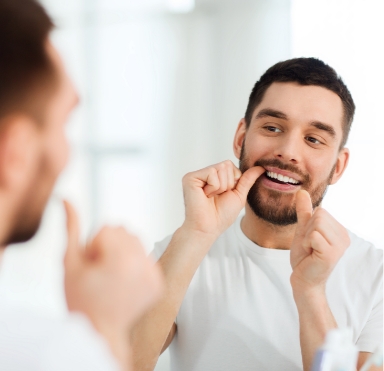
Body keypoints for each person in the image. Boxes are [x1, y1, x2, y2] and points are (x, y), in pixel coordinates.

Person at [131, 58, 383, 371]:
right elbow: (123, 363)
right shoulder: (181, 253)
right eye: (272, 127)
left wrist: (312, 294)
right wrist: (195, 236)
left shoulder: (376, 276)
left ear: (339, 166)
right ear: (241, 137)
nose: (288, 150)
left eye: (313, 139)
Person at [0, 0, 163, 370]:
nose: (64, 154)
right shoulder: (46, 356)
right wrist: (104, 331)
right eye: (62, 123)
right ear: (16, 153)